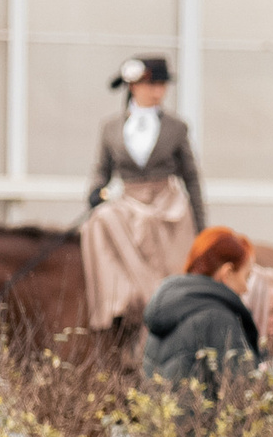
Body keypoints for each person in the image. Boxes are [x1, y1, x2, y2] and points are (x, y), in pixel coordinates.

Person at [81, 55, 206, 331]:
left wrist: (201, 226)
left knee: (154, 227)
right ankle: (117, 302)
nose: (158, 92)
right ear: (133, 86)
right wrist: (95, 192)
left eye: (162, 85)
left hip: (167, 203)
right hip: (128, 200)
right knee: (98, 222)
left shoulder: (176, 127)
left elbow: (191, 177)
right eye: (152, 85)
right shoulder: (111, 128)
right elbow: (102, 169)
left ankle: (170, 306)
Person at [144, 227, 271, 398]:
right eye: (246, 277)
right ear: (227, 273)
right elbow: (245, 392)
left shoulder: (167, 309)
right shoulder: (219, 319)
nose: (246, 288)